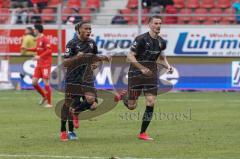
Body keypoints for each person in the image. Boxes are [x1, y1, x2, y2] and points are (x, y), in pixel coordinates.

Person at [115, 15, 172, 141]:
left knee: (151, 101)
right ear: (150, 25)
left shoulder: (161, 42)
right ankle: (124, 96)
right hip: (136, 73)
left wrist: (168, 66)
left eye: (160, 23)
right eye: (156, 23)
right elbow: (130, 56)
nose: (158, 26)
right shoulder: (140, 39)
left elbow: (162, 58)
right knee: (131, 106)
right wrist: (141, 68)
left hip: (151, 74)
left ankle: (143, 133)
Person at [60, 21, 109, 141]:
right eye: (86, 29)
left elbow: (95, 58)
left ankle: (76, 112)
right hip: (73, 78)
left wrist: (97, 63)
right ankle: (66, 131)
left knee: (92, 103)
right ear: (79, 30)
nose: (89, 31)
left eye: (90, 29)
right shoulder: (71, 44)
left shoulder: (92, 43)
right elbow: (65, 63)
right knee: (69, 104)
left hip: (87, 77)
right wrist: (78, 57)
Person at [23, 24, 52, 107]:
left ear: (37, 30)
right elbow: (38, 49)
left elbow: (49, 50)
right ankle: (44, 96)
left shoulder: (45, 39)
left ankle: (49, 103)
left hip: (46, 64)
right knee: (34, 82)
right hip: (39, 64)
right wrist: (27, 49)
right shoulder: (39, 39)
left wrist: (39, 56)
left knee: (46, 82)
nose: (33, 31)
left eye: (34, 29)